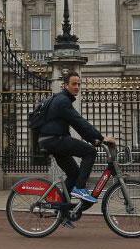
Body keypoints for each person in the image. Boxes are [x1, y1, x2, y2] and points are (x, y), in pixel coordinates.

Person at [38, 70, 117, 209]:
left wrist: (93, 140)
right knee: (90, 152)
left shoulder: (62, 99)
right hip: (55, 139)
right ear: (65, 85)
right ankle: (79, 189)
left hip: (52, 140)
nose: (77, 87)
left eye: (79, 84)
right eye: (74, 84)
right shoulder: (63, 101)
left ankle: (62, 211)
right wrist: (102, 137)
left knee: (74, 174)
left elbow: (77, 126)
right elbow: (79, 122)